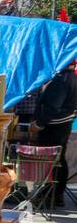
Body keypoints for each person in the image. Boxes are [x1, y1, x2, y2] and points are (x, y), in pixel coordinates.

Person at [32, 63, 77, 209]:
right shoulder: (69, 77)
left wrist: (39, 124)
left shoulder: (62, 79)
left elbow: (53, 106)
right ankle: (56, 195)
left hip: (54, 125)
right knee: (58, 159)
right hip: (62, 123)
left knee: (51, 159)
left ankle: (50, 195)